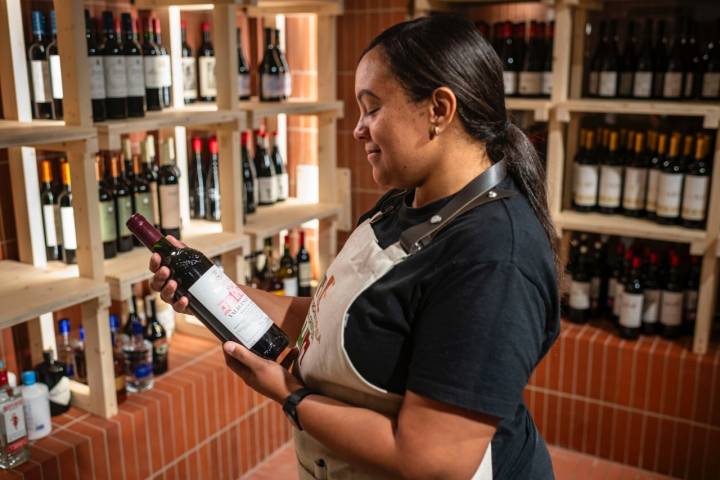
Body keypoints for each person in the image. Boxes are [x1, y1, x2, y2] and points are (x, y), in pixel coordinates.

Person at [149, 15, 559, 480]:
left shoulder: (494, 258)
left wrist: (289, 393)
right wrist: (210, 289)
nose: (358, 129)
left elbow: (432, 461)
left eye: (372, 108)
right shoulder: (400, 204)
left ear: (439, 109)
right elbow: (336, 321)